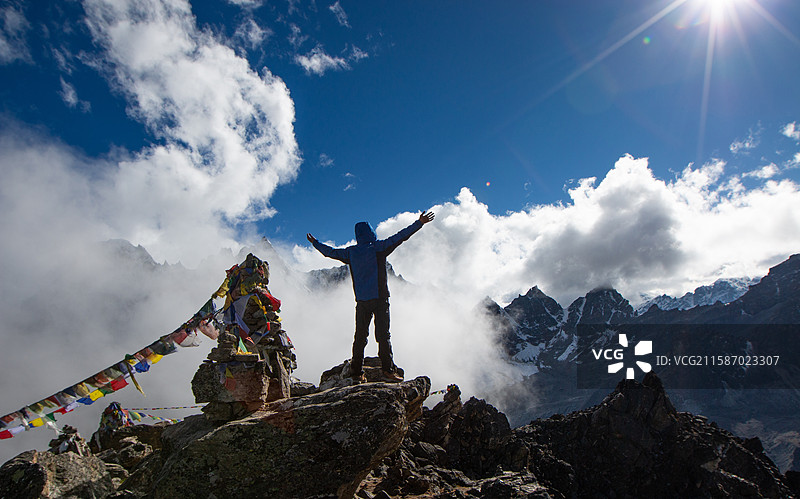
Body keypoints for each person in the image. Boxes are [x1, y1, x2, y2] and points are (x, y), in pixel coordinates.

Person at [307, 211, 435, 383]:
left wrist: (315, 243)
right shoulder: (378, 248)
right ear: (371, 233)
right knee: (383, 336)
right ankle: (388, 371)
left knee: (360, 337)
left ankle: (356, 373)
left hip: (362, 302)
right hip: (380, 300)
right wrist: (419, 223)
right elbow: (400, 237)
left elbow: (329, 252)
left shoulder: (350, 253)